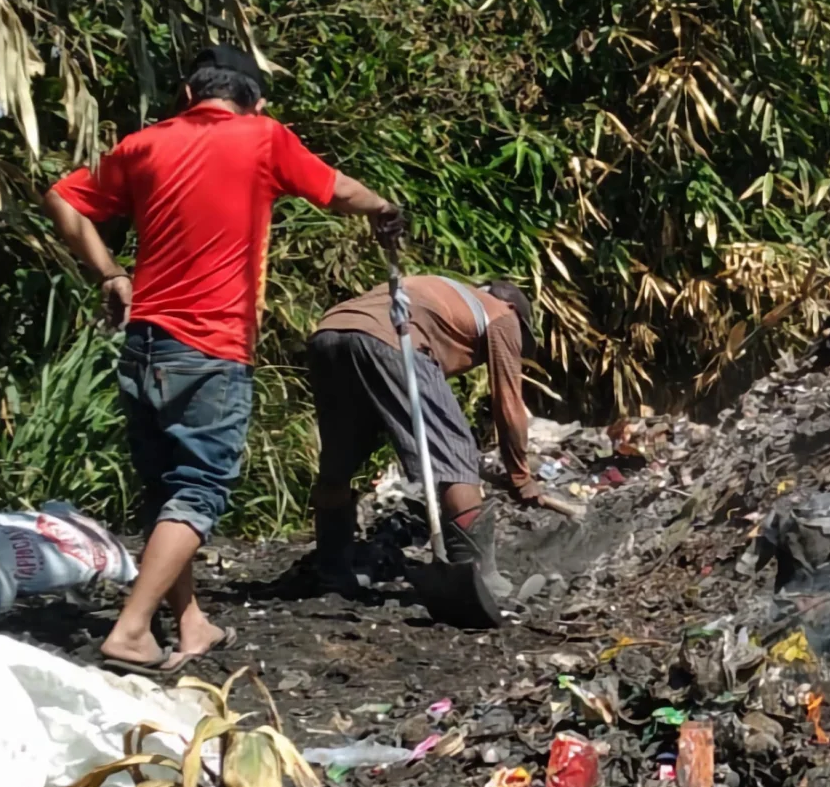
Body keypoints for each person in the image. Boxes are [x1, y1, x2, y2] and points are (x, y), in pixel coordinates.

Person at [44, 45, 400, 672]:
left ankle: (190, 623)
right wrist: (382, 208)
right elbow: (337, 189)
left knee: (166, 490)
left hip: (144, 345)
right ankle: (130, 629)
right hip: (210, 347)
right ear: (255, 102)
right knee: (201, 488)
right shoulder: (261, 136)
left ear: (186, 94)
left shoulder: (143, 145)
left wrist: (108, 274)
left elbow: (64, 199)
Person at [304, 275, 544, 597]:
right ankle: (477, 579)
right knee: (456, 453)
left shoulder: (440, 292)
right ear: (513, 306)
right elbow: (509, 404)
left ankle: (331, 569)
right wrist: (520, 477)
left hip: (329, 334)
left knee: (340, 456)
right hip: (391, 339)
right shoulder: (502, 315)